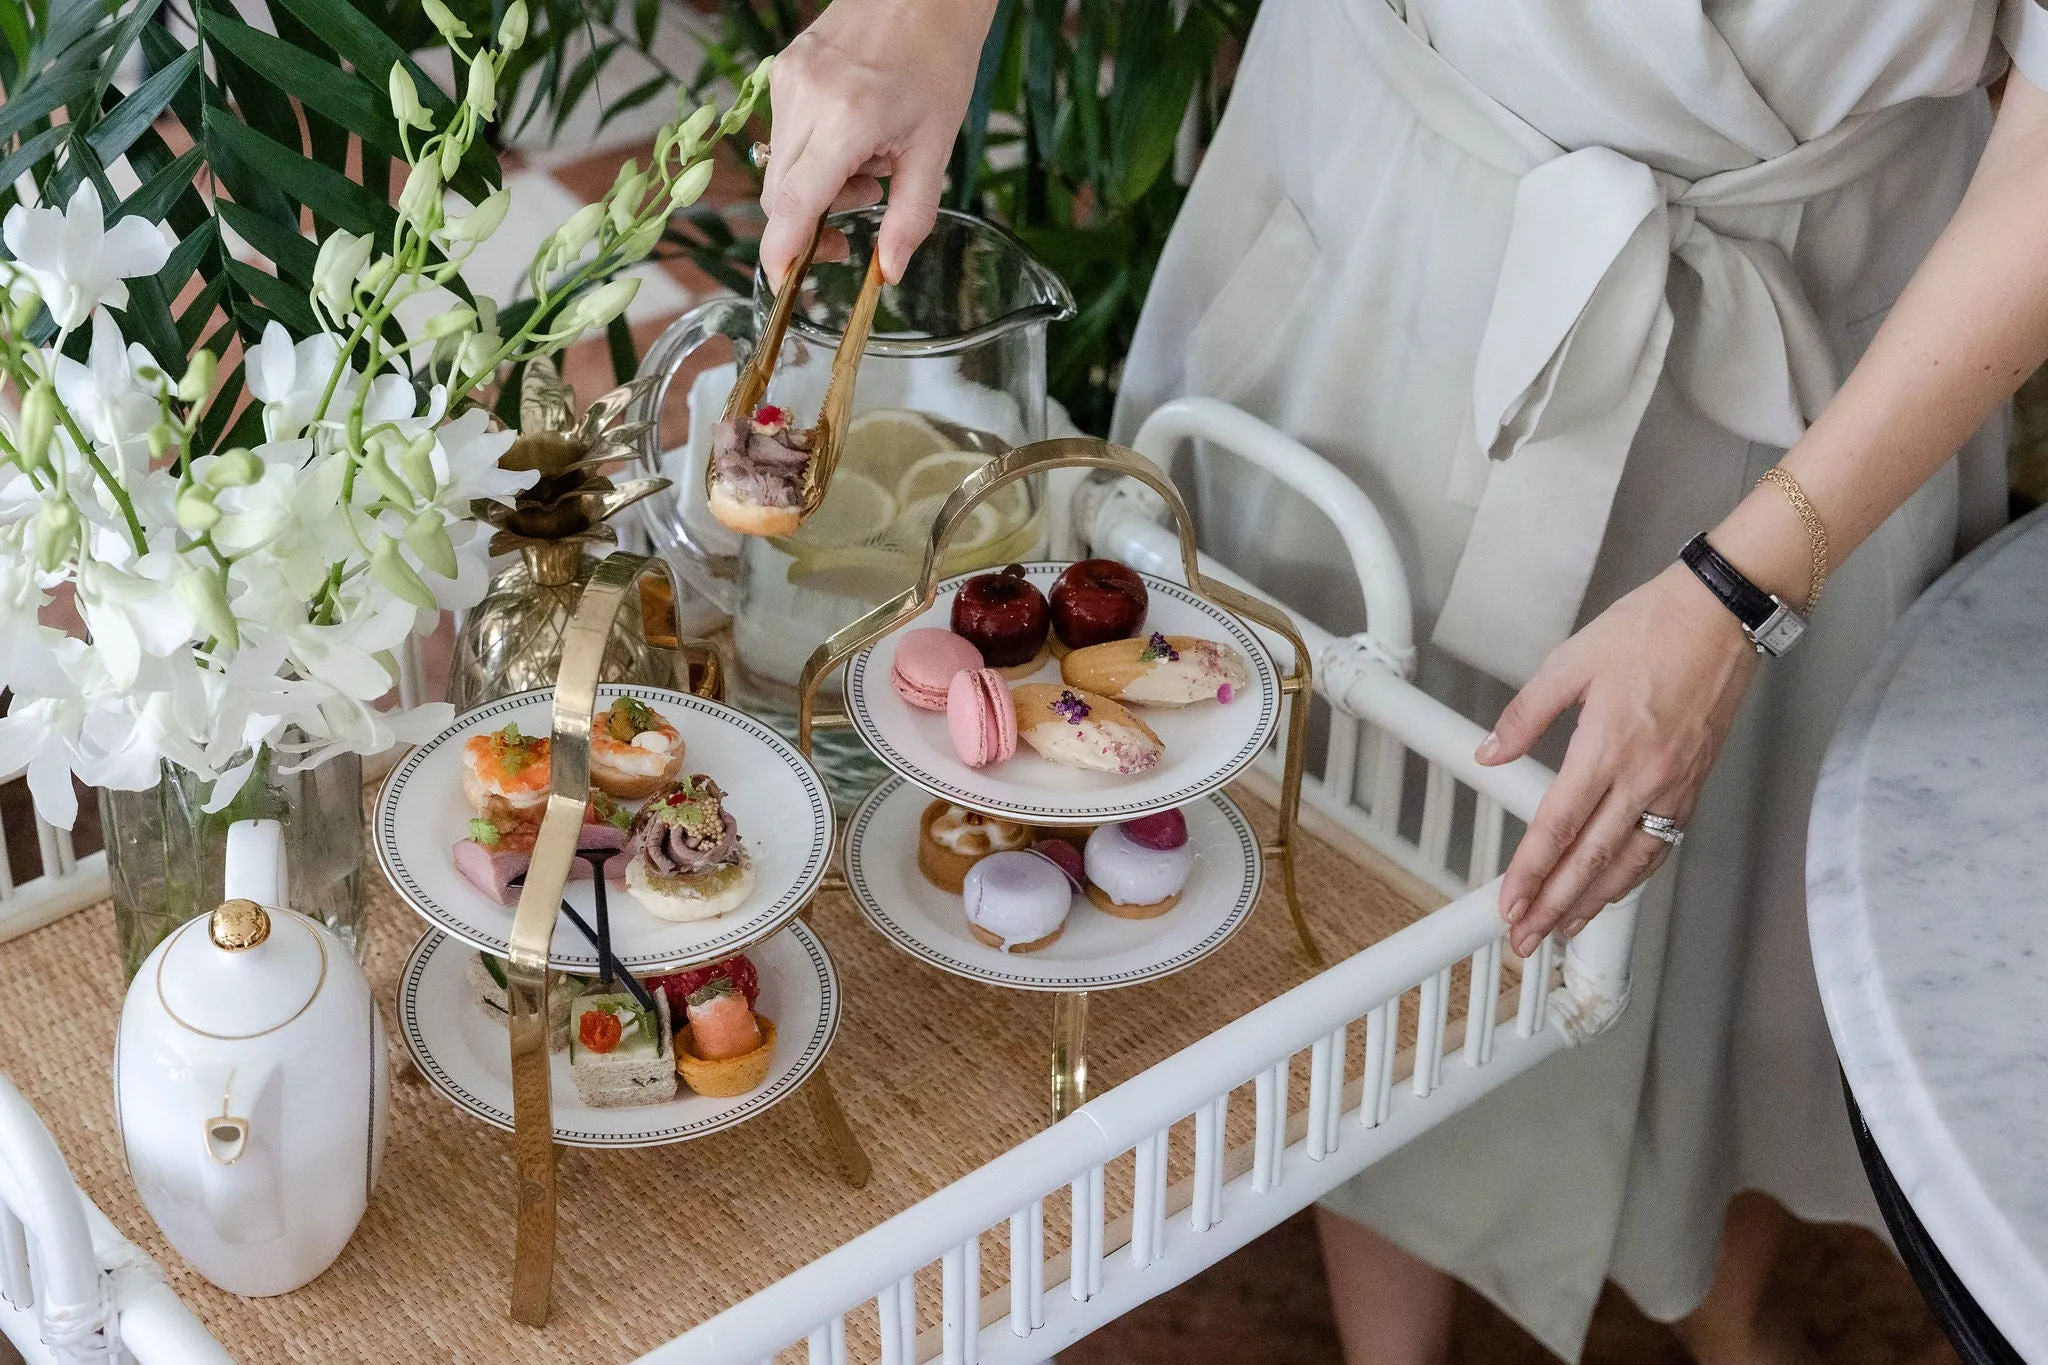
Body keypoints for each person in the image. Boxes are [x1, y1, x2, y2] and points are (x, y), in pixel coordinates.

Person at [757, 1, 2048, 1361]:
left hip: (1847, 318)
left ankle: (1720, 1293)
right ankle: (1391, 1341)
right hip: (1403, 204)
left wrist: (1742, 591)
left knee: (1740, 900)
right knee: (1352, 878)